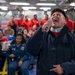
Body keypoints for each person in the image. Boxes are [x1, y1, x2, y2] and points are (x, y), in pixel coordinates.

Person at [27, 8, 75, 75]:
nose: (55, 16)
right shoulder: (42, 35)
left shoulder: (72, 38)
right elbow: (31, 50)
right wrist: (40, 31)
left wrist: (65, 68)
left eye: (58, 15)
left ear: (65, 21)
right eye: (53, 15)